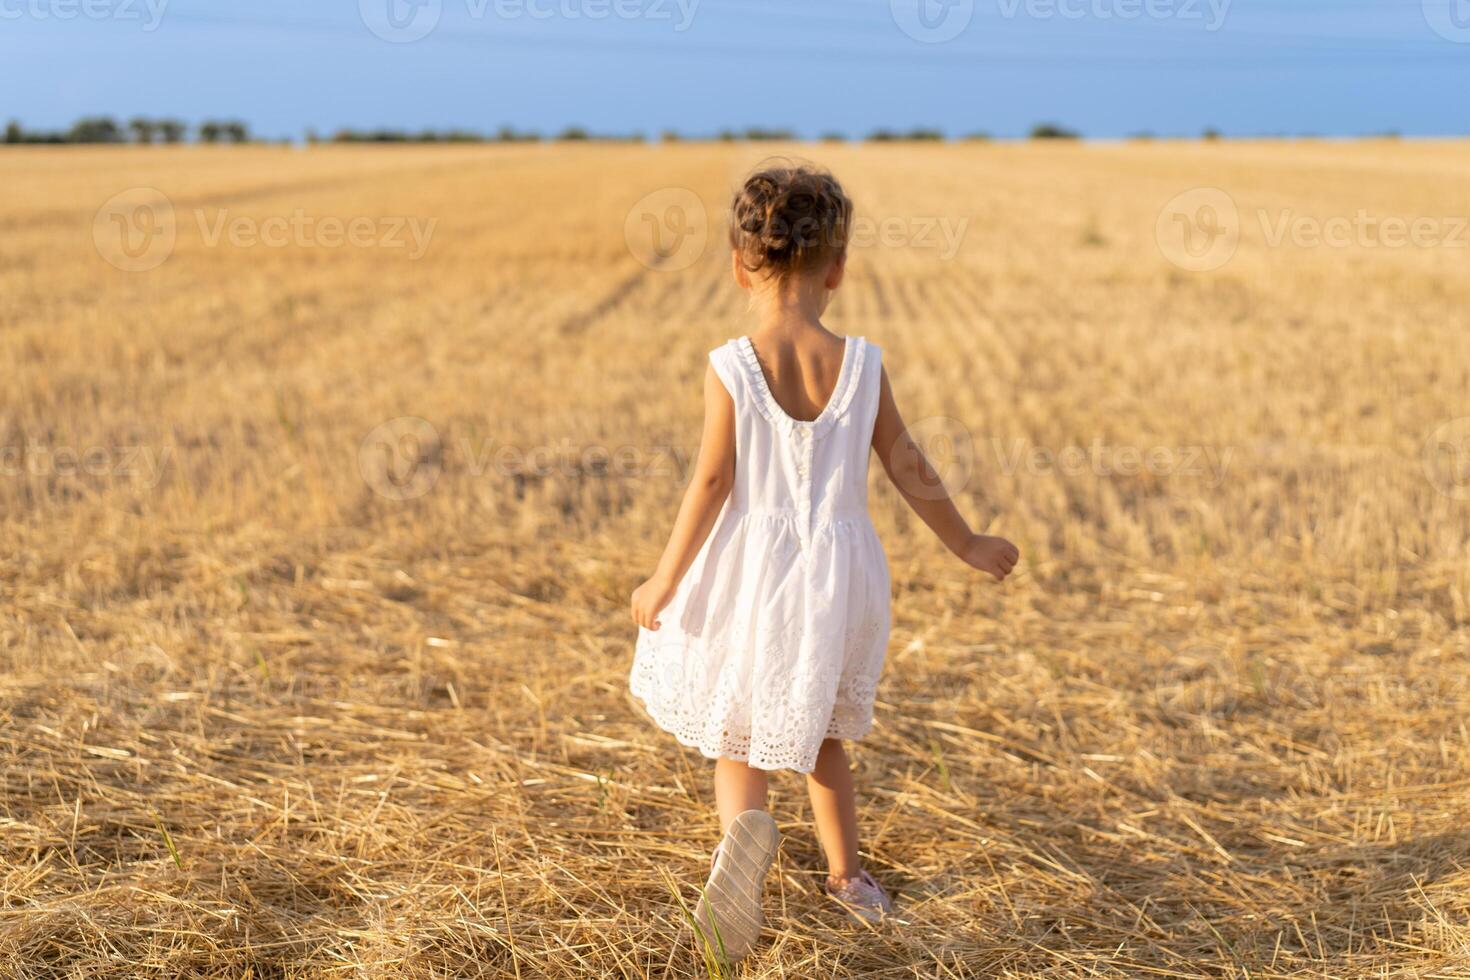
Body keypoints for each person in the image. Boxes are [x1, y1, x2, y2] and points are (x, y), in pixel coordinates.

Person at [629, 162, 1019, 963]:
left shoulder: (733, 364)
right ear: (837, 266)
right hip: (839, 578)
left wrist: (665, 577)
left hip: (751, 573)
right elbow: (908, 464)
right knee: (825, 735)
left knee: (738, 735)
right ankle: (850, 879)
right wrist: (968, 542)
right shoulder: (862, 364)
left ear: (740, 263)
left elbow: (711, 480)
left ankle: (740, 863)